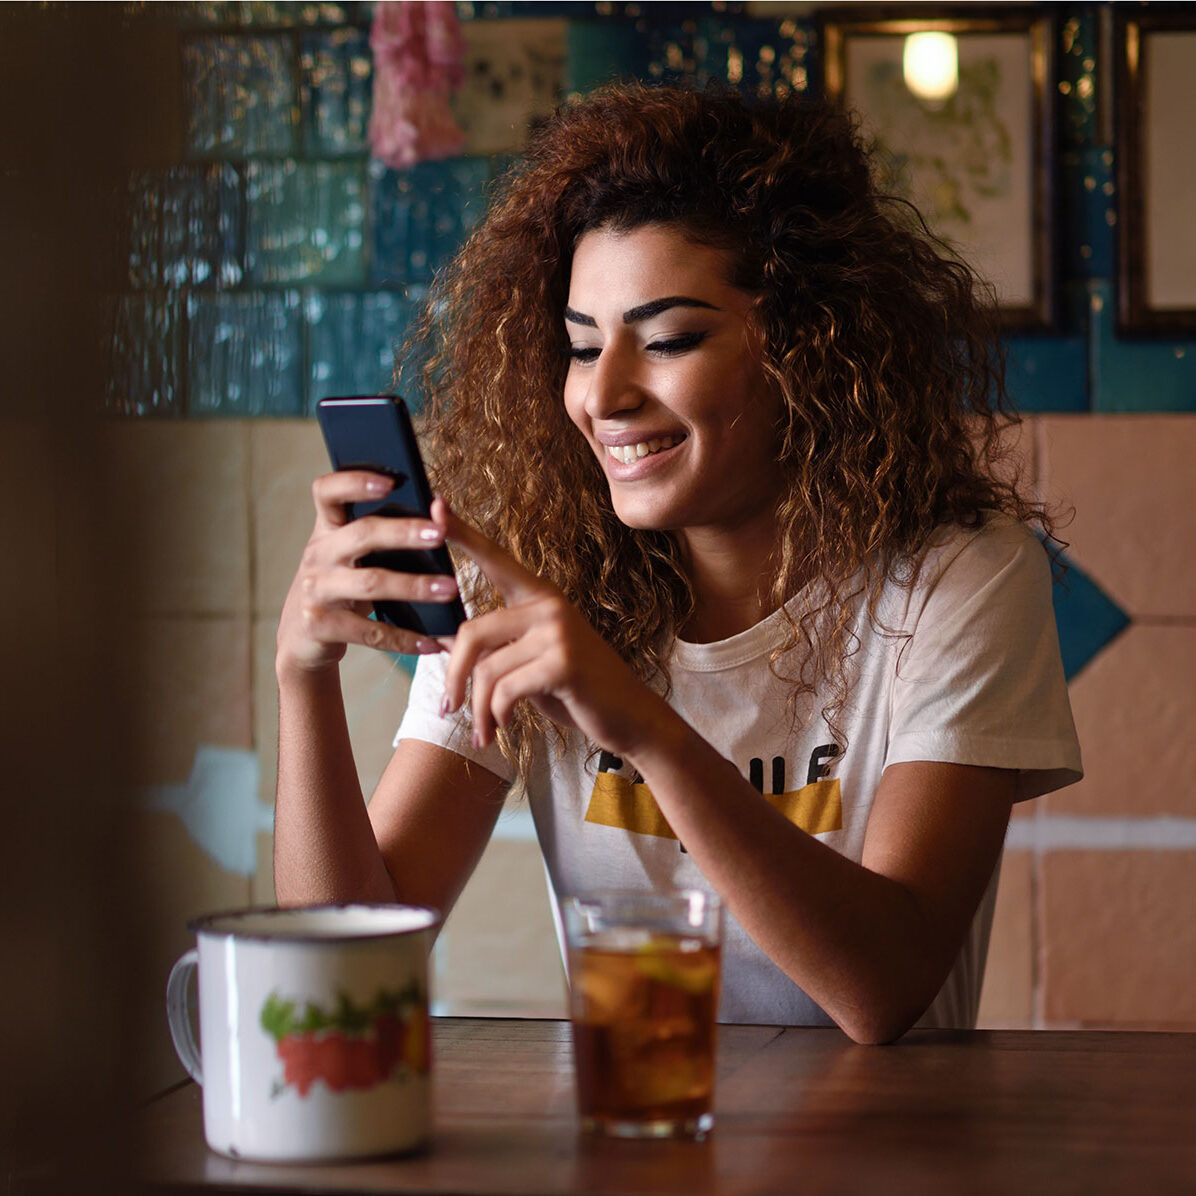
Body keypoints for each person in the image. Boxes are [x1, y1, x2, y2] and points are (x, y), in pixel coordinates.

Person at [273, 83, 1081, 1044]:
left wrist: (641, 727)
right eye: (580, 348)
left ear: (808, 346)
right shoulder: (526, 583)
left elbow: (883, 989)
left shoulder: (961, 579)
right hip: (631, 1139)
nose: (604, 396)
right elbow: (349, 972)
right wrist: (303, 679)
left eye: (668, 340)